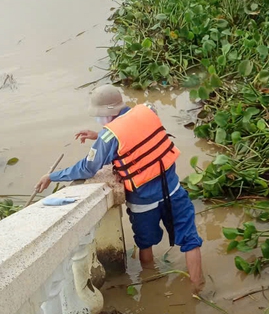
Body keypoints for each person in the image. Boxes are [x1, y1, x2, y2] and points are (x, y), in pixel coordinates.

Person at [35, 85, 204, 293]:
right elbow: (135, 135)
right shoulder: (147, 111)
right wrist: (98, 136)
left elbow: (87, 168)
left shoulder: (109, 137)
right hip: (174, 191)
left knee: (145, 245)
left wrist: (52, 176)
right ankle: (198, 289)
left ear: (105, 114)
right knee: (190, 240)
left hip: (143, 203)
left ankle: (152, 287)